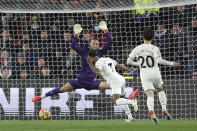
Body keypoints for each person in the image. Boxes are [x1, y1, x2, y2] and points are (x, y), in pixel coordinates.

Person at [32, 21, 121, 102]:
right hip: (80, 80)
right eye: (93, 43)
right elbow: (73, 45)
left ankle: (128, 96)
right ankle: (40, 97)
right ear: (90, 43)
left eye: (97, 44)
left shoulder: (100, 52)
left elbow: (110, 41)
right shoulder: (84, 51)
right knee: (62, 89)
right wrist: (76, 34)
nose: (95, 45)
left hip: (91, 82)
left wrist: (105, 30)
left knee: (113, 85)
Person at [127, 28, 180, 124]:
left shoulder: (137, 48)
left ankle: (151, 110)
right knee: (160, 90)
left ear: (142, 36)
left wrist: (138, 64)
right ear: (153, 37)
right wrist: (172, 64)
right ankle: (164, 109)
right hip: (155, 72)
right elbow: (159, 60)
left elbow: (128, 61)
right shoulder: (154, 48)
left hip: (144, 74)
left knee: (150, 94)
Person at [87, 50, 139, 121]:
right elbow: (119, 65)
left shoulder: (98, 63)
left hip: (115, 81)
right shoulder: (107, 58)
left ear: (92, 58)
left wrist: (90, 63)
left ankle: (132, 101)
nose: (90, 60)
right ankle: (130, 117)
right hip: (121, 78)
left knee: (116, 101)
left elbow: (97, 72)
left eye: (90, 59)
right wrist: (128, 69)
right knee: (122, 98)